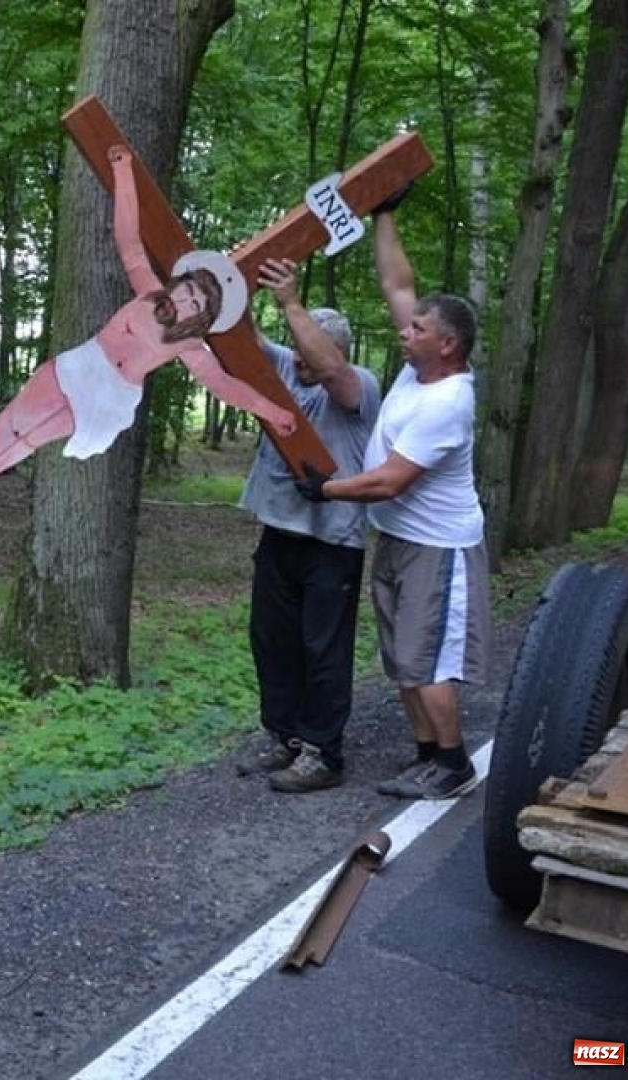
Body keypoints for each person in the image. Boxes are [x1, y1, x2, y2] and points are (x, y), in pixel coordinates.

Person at [0, 145, 295, 528]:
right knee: (12, 425)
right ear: (179, 283)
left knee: (27, 440)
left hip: (110, 397)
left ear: (202, 320)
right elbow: (128, 238)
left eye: (197, 306)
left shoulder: (189, 345)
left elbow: (225, 386)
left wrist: (273, 412)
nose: (186, 302)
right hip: (82, 367)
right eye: (188, 291)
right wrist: (123, 171)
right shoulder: (148, 289)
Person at [294, 197, 489, 801]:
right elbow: (397, 281)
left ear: (448, 344)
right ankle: (427, 755)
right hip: (400, 539)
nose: (404, 333)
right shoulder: (416, 371)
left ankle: (453, 764)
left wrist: (325, 488)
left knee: (427, 660)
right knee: (402, 657)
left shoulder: (448, 401)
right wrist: (384, 212)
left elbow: (389, 480)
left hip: (439, 548)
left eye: (417, 330)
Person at [235, 259, 381, 794]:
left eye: (307, 351)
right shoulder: (289, 368)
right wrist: (237, 285)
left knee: (323, 647)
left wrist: (292, 304)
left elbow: (336, 377)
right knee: (272, 640)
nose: (296, 359)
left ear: (332, 351)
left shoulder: (357, 387)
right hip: (281, 534)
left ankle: (323, 752)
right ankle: (284, 736)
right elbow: (244, 337)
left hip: (332, 541)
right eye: (294, 349)